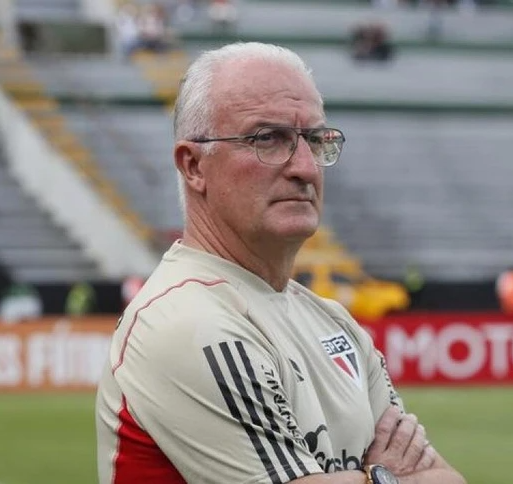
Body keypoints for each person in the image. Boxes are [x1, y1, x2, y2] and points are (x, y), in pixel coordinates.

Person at [95, 42, 466, 484]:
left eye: (316, 140)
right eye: (268, 138)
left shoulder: (334, 323)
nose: (306, 168)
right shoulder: (185, 322)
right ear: (193, 166)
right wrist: (386, 476)